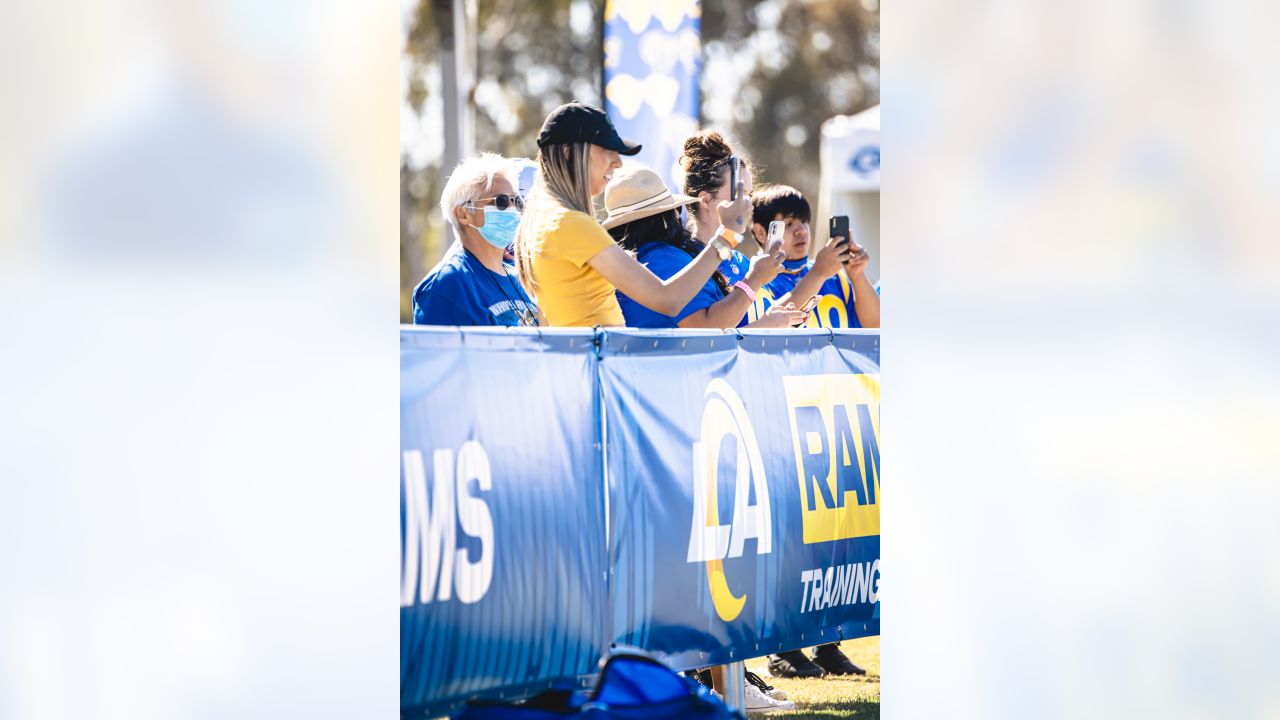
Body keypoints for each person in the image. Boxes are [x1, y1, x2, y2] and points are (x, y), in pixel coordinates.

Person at [512, 102, 751, 327]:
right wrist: (727, 235)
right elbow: (669, 300)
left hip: (583, 364)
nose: (617, 162)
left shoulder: (548, 221)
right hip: (595, 366)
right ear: (568, 154)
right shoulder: (572, 223)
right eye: (606, 150)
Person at [604, 165, 805, 329]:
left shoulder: (627, 262)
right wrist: (754, 278)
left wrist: (767, 322)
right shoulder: (664, 258)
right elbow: (707, 331)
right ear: (666, 215)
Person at [412, 153, 538, 327]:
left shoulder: (521, 280)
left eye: (516, 201)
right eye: (500, 201)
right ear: (463, 213)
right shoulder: (445, 286)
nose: (512, 209)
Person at [747, 184, 880, 330]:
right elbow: (764, 330)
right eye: (789, 223)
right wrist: (819, 273)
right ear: (761, 232)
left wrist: (857, 275)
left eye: (804, 222)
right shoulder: (753, 280)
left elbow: (875, 325)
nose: (801, 231)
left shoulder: (836, 277)